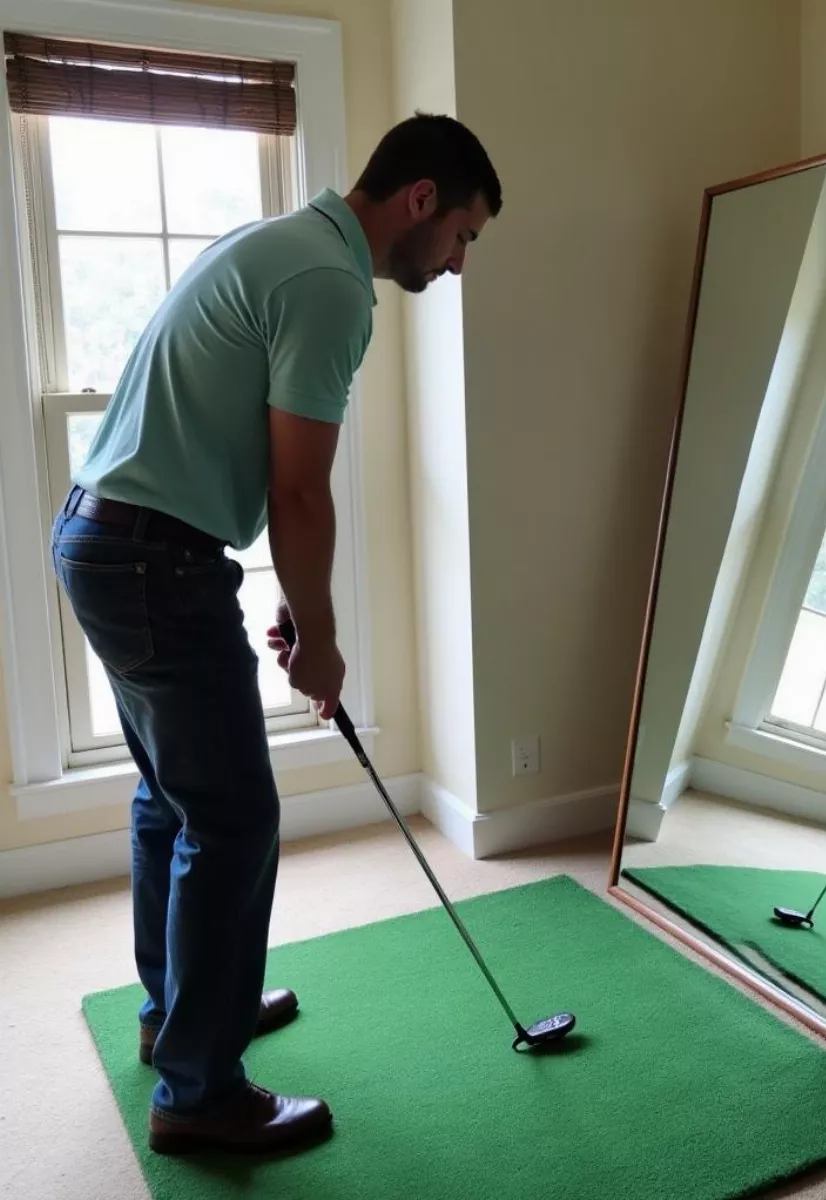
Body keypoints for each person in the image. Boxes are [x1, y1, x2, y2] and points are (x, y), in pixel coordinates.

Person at [50, 113, 501, 1156]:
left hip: (109, 541)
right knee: (235, 819)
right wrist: (328, 639)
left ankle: (180, 1020)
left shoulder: (277, 242)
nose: (462, 263)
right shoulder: (331, 286)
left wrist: (299, 600)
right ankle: (199, 1096)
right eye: (465, 234)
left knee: (176, 800)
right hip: (150, 559)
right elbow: (300, 489)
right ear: (421, 201)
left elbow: (253, 462)